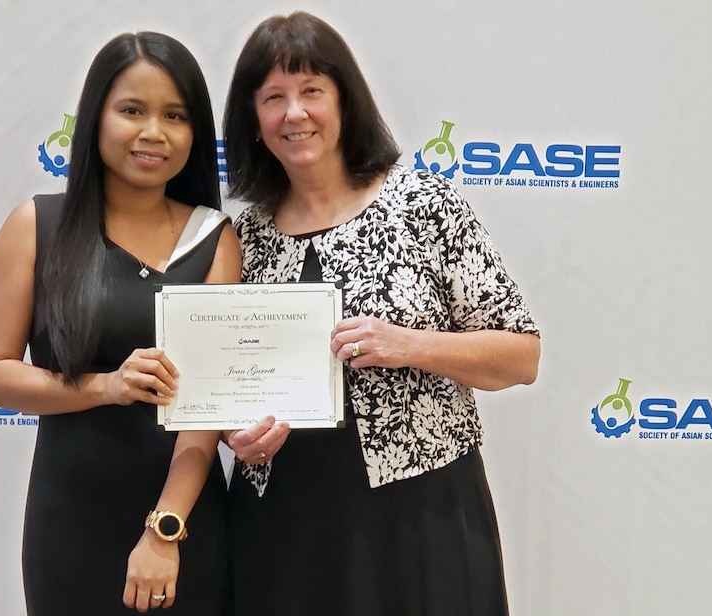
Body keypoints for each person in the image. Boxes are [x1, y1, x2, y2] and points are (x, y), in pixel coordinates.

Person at [221, 12, 541, 616]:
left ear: (345, 102)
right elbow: (226, 380)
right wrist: (236, 435)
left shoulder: (422, 204)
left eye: (312, 91)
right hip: (284, 523)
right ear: (253, 121)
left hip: (422, 515)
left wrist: (411, 345)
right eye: (274, 98)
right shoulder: (245, 237)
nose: (295, 113)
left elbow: (521, 356)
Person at [0, 31, 241, 615]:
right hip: (69, 522)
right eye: (132, 111)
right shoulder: (37, 225)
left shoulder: (215, 238)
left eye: (175, 115)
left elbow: (208, 407)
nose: (154, 133)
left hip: (184, 521)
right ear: (95, 118)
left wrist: (165, 530)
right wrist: (106, 386)